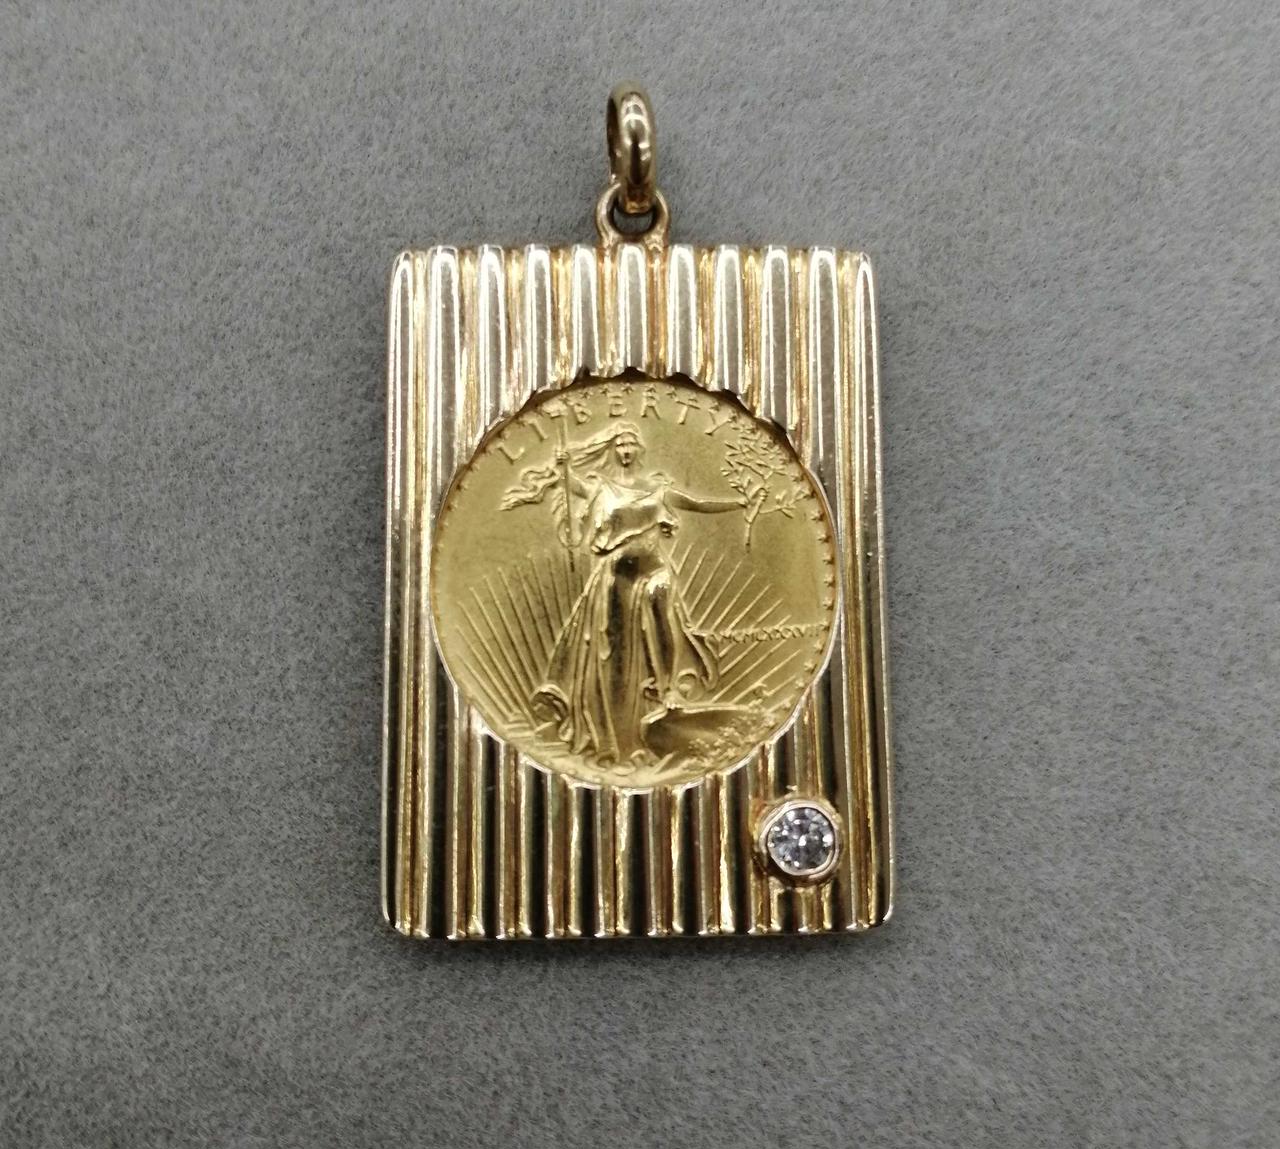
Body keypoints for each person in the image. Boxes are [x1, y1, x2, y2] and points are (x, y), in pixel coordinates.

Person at [502, 423, 751, 765]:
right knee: (612, 649)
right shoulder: (601, 488)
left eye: (631, 444)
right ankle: (618, 724)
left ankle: (667, 692)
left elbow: (698, 503)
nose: (625, 450)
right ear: (613, 450)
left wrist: (739, 503)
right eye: (620, 445)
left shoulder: (656, 490)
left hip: (654, 567)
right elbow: (572, 485)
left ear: (640, 450)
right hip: (616, 576)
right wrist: (564, 467)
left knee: (664, 622)